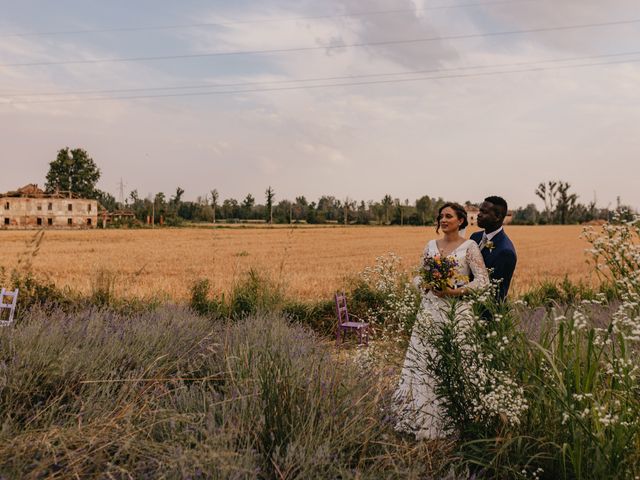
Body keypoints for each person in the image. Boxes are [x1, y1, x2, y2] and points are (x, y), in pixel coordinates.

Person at [394, 202, 489, 439]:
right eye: (441, 216)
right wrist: (426, 284)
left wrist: (455, 291)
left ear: (461, 220)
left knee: (455, 359)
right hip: (430, 310)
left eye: (448, 216)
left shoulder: (470, 247)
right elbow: (418, 277)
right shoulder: (430, 246)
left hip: (457, 312)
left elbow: (482, 281)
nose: (443, 219)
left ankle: (457, 418)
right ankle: (423, 418)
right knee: (425, 361)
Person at [470, 196, 517, 301]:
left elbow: (496, 294)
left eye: (484, 212)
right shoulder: (474, 237)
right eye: (480, 210)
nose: (479, 214)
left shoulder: (505, 252)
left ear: (498, 217)